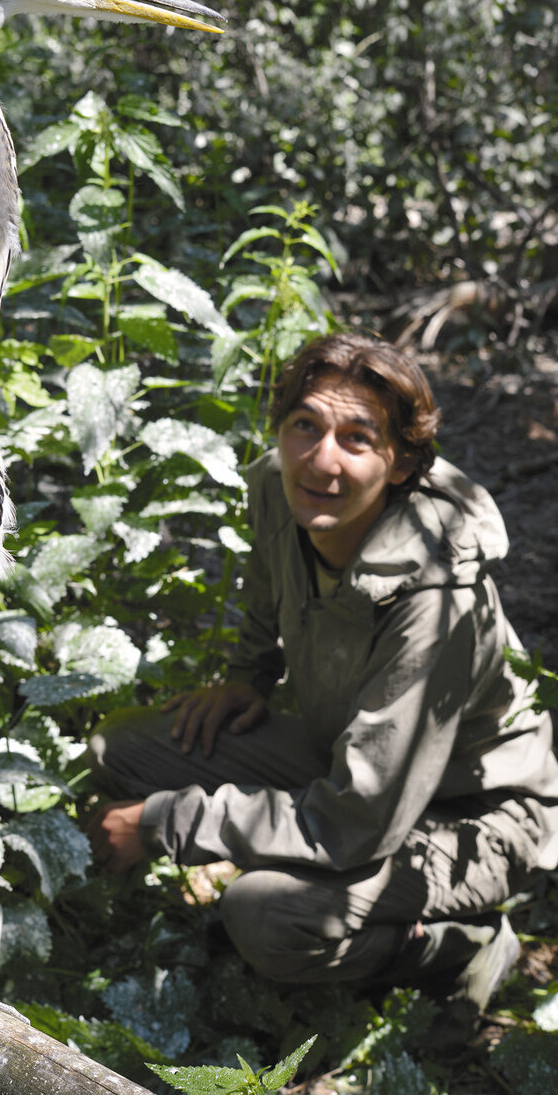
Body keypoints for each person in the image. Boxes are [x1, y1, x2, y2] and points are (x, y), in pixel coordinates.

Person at [86, 332, 558, 1011]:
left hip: (473, 821)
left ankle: (465, 950)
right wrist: (249, 675)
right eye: (304, 426)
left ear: (400, 466)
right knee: (121, 749)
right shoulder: (285, 491)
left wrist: (164, 824)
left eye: (357, 439)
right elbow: (265, 594)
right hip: (353, 759)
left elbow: (357, 821)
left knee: (267, 914)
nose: (322, 459)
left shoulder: (434, 603)